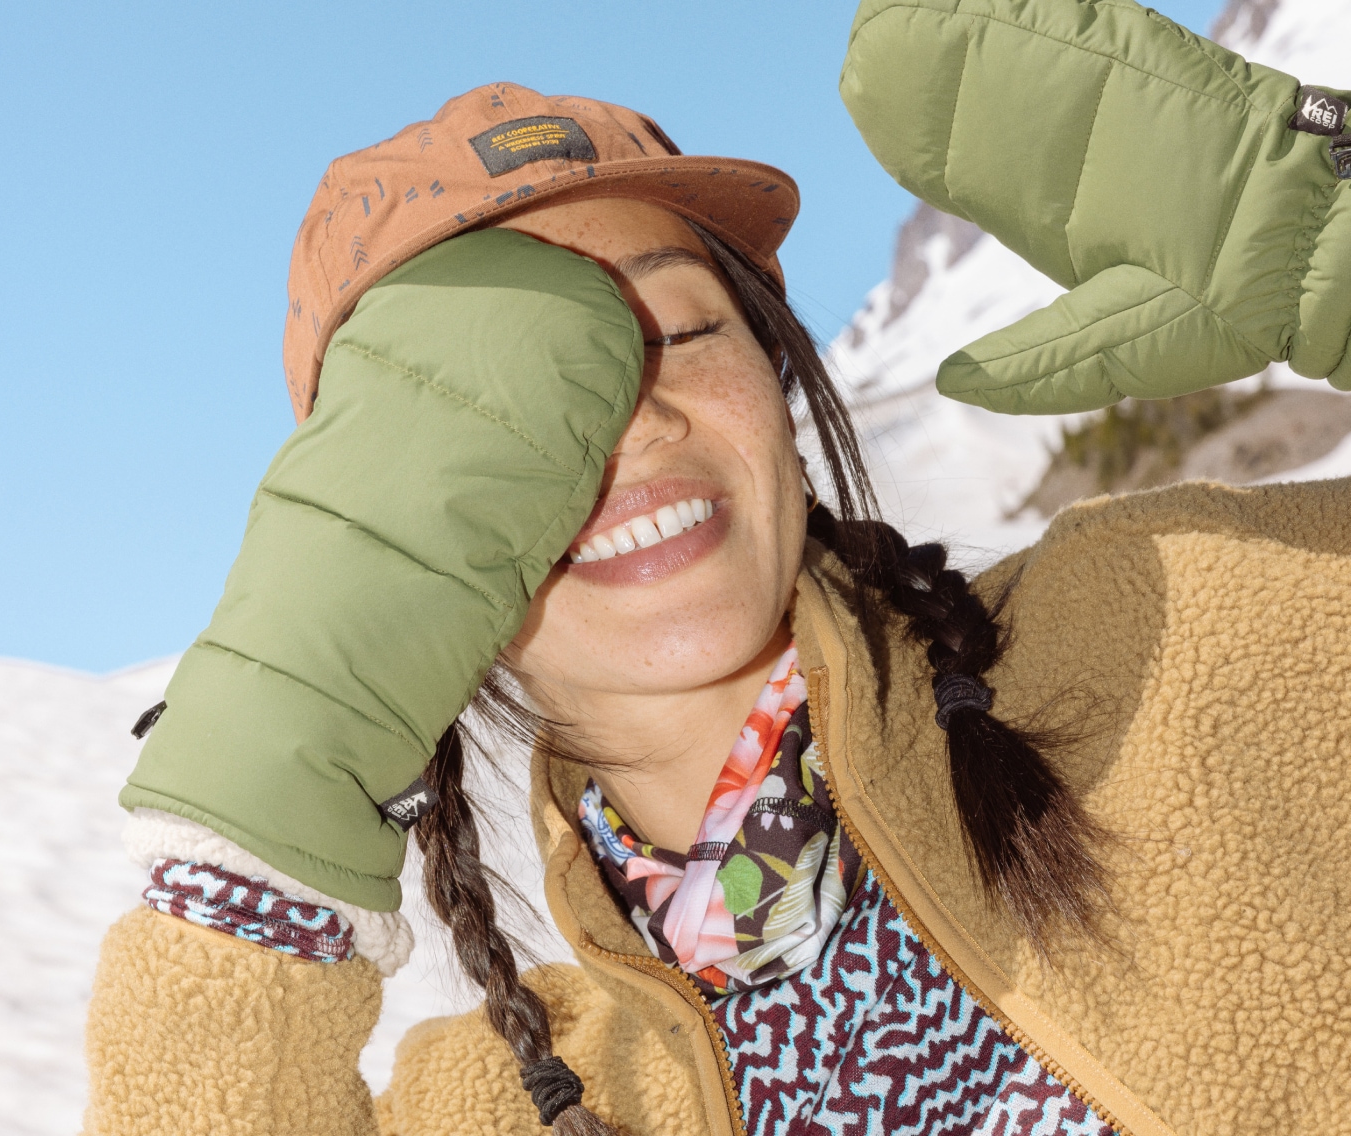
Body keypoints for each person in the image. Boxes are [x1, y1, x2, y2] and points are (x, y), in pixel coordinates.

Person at [84, 1, 1351, 1133]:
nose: (631, 417)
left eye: (680, 326)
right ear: (382, 533)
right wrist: (274, 779)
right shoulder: (499, 1103)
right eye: (508, 404)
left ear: (778, 379)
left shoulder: (1190, 627)